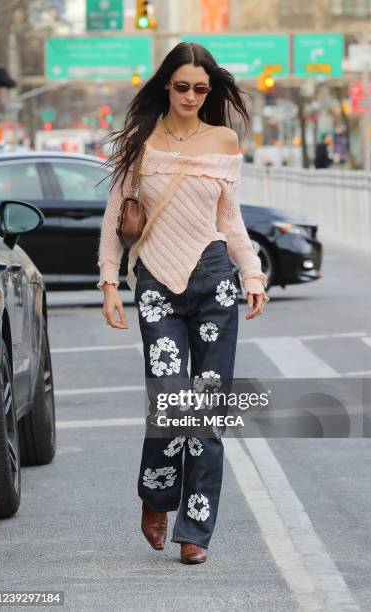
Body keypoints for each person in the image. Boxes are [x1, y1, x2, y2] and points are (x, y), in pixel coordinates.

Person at [96, 42, 269, 565]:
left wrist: (252, 273)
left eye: (200, 88)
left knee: (207, 416)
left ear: (208, 91)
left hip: (215, 281)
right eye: (182, 86)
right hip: (156, 284)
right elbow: (115, 214)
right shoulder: (141, 140)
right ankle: (156, 497)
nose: (191, 96)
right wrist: (108, 282)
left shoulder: (224, 140)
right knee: (172, 404)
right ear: (165, 86)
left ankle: (197, 530)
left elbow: (230, 218)